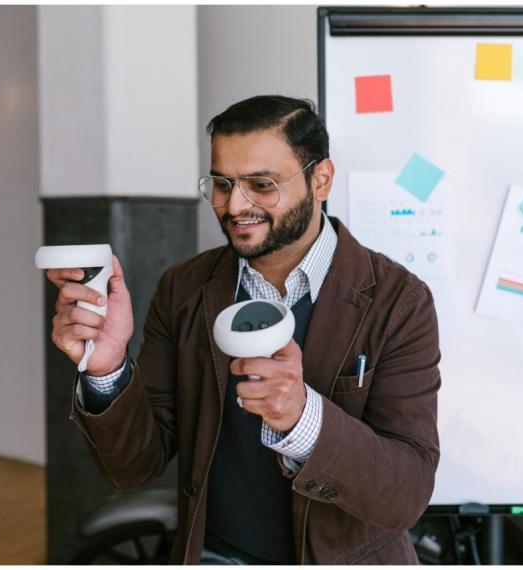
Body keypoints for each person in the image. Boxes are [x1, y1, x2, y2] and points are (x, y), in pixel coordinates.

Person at [46, 95, 441, 564]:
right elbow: (134, 467)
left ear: (321, 179)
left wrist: (303, 417)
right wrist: (108, 368)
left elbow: (407, 493)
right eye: (222, 183)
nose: (235, 205)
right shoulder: (185, 287)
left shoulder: (399, 301)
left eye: (261, 184)